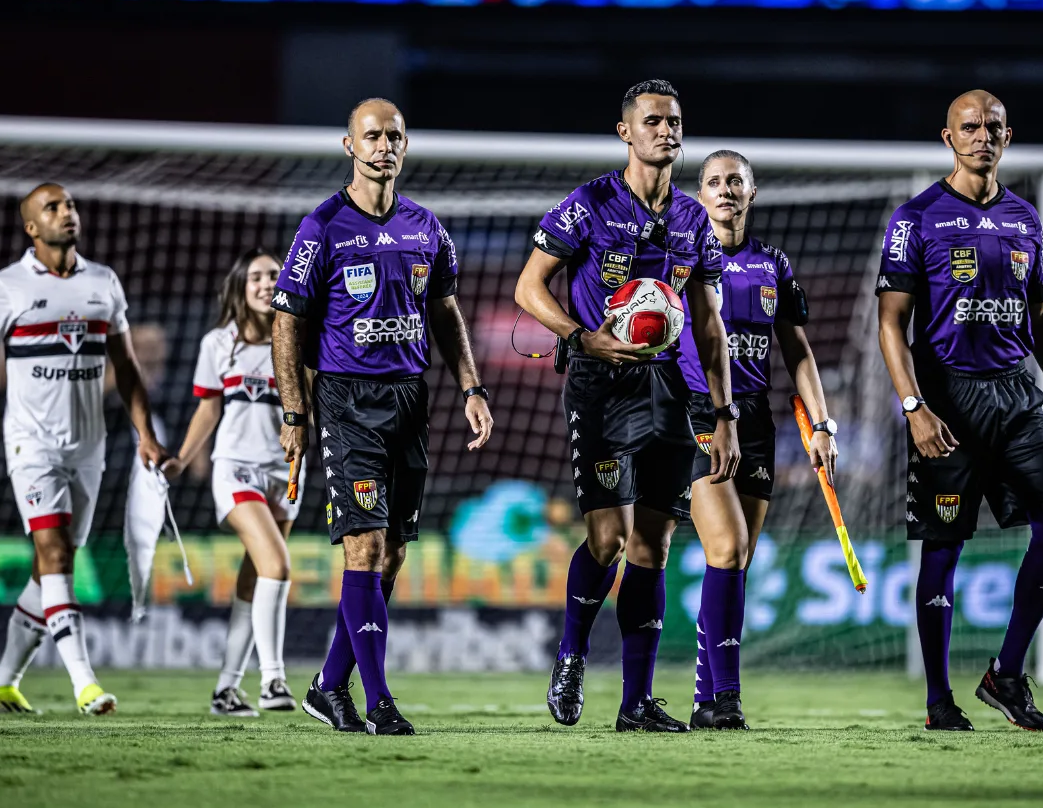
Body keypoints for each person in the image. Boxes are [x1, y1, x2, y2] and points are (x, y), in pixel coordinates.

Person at [514, 79, 739, 733]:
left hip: (668, 391)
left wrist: (721, 414)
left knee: (653, 546)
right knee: (608, 537)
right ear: (626, 133)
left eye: (674, 122)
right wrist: (580, 336)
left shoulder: (695, 221)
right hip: (599, 383)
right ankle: (572, 653)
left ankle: (635, 703)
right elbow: (529, 287)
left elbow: (707, 323)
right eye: (652, 122)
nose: (666, 131)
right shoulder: (589, 206)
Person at [272, 98, 493, 736]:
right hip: (345, 402)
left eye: (393, 136)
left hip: (408, 398)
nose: (383, 146)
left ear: (405, 144)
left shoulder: (427, 227)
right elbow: (288, 321)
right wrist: (295, 410)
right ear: (349, 146)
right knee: (363, 550)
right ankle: (379, 701)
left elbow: (446, 312)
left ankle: (327, 687)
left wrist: (471, 387)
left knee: (392, 554)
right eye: (371, 136)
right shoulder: (322, 227)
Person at [875, 91, 1043, 732]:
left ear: (1007, 135)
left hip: (1017, 395)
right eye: (969, 127)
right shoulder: (917, 218)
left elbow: (1042, 314)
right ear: (948, 136)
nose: (981, 136)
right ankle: (940, 698)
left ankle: (1007, 673)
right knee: (943, 551)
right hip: (948, 402)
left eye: (992, 127)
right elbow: (890, 321)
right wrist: (912, 405)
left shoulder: (1026, 218)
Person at [0, 183, 167, 715]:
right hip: (30, 446)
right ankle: (86, 684)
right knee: (55, 554)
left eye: (71, 205)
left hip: (89, 448)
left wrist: (146, 434)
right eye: (52, 208)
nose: (67, 214)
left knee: (50, 566)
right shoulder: (7, 286)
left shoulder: (103, 282)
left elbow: (126, 366)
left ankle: (4, 683)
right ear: (32, 227)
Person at [678, 151, 837, 730]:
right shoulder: (680, 261)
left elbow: (797, 351)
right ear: (699, 196)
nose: (725, 190)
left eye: (735, 181)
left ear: (752, 192)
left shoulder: (773, 264)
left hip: (758, 424)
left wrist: (821, 424)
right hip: (698, 416)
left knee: (737, 561)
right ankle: (728, 698)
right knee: (725, 550)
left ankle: (705, 697)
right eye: (714, 182)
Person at [163, 249, 300, 716]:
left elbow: (315, 408)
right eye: (256, 277)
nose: (266, 283)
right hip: (236, 466)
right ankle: (273, 680)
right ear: (242, 288)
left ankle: (226, 688)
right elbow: (208, 409)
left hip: (285, 473)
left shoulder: (300, 340)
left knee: (254, 580)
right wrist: (182, 459)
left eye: (274, 276)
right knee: (277, 567)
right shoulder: (218, 344)